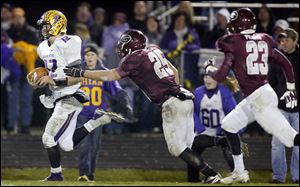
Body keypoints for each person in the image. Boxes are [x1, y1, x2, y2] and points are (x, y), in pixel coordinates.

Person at [64, 29, 222, 184]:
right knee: (189, 144)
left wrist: (82, 73)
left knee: (177, 148)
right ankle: (223, 143)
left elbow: (110, 75)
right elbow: (173, 70)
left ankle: (212, 174)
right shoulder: (154, 49)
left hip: (172, 101)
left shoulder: (134, 57)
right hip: (184, 95)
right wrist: (175, 88)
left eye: (123, 43)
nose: (121, 47)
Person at [202, 8, 299, 184]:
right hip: (261, 95)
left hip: (260, 99)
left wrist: (209, 70)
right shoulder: (264, 39)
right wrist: (291, 88)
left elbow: (222, 74)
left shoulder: (234, 42)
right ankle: (240, 171)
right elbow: (285, 63)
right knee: (229, 125)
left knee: (292, 137)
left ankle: (240, 171)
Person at [27, 10, 120, 181]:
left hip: (70, 96)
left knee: (48, 138)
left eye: (47, 26)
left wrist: (52, 80)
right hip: (58, 97)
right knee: (67, 144)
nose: (44, 30)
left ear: (58, 25)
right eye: (43, 26)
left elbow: (77, 76)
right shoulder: (42, 47)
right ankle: (97, 121)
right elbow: (52, 71)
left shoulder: (70, 42)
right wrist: (40, 80)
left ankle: (56, 175)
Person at [77, 43, 133, 182]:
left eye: (92, 54)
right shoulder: (78, 72)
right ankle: (83, 173)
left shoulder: (103, 72)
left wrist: (125, 104)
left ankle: (90, 174)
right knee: (84, 145)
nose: (89, 57)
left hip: (98, 114)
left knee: (95, 146)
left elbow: (117, 90)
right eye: (87, 55)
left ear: (97, 56)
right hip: (82, 113)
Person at [187, 72, 236, 182]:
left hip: (223, 132)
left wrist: (226, 130)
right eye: (206, 76)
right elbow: (192, 112)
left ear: (218, 79)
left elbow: (233, 113)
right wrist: (199, 128)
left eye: (211, 77)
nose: (207, 79)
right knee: (191, 151)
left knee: (232, 151)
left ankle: (238, 174)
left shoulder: (224, 92)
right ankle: (193, 179)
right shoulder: (199, 92)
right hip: (204, 132)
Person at [268, 28, 299, 184]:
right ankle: (278, 176)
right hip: (280, 106)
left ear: (295, 40)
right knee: (277, 144)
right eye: (281, 40)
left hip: (298, 109)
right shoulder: (276, 58)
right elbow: (271, 81)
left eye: (287, 40)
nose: (283, 43)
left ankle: (297, 176)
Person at [7, 7, 39, 134]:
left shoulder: (31, 32)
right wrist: (17, 49)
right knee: (12, 99)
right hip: (13, 70)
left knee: (26, 99)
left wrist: (23, 50)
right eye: (15, 17)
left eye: (19, 17)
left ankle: (25, 125)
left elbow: (37, 50)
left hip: (28, 69)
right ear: (13, 19)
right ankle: (10, 125)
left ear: (24, 18)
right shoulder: (8, 32)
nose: (17, 19)